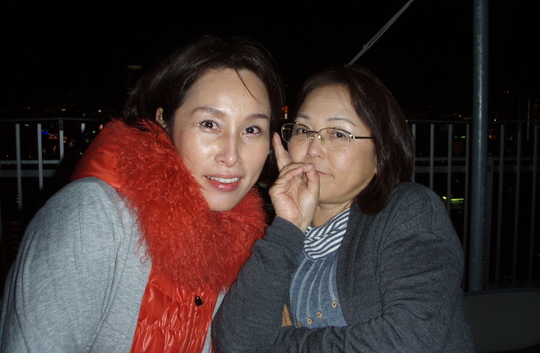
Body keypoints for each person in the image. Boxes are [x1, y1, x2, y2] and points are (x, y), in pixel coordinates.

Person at [0, 35, 284, 352]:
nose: (231, 155)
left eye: (251, 130)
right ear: (164, 120)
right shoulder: (93, 217)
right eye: (209, 124)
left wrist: (292, 225)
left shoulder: (244, 243)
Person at [212, 65, 475, 352]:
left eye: (338, 134)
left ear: (381, 154)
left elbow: (410, 340)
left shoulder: (408, 212)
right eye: (303, 130)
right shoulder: (279, 236)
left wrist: (278, 343)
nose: (313, 149)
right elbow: (235, 344)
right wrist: (288, 226)